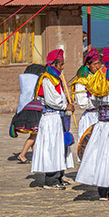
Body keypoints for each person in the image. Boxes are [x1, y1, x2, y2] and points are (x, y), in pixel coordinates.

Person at [75, 47, 109, 200]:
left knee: (102, 156)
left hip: (101, 123)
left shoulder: (96, 78)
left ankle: (105, 191)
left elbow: (94, 101)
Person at [31, 50, 72, 189]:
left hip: (58, 117)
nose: (62, 67)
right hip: (51, 118)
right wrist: (66, 105)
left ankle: (59, 176)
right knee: (52, 147)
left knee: (60, 147)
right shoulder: (47, 79)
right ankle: (51, 179)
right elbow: (52, 100)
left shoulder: (57, 79)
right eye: (60, 64)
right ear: (53, 64)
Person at [9, 63, 46, 163]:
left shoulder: (30, 87)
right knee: (34, 135)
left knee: (36, 134)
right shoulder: (33, 87)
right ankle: (22, 154)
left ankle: (35, 156)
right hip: (33, 114)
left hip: (34, 112)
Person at [73, 48, 105, 148]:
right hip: (90, 118)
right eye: (94, 64)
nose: (98, 67)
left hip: (103, 116)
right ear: (88, 65)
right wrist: (98, 102)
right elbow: (82, 102)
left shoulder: (103, 77)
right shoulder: (82, 80)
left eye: (99, 63)